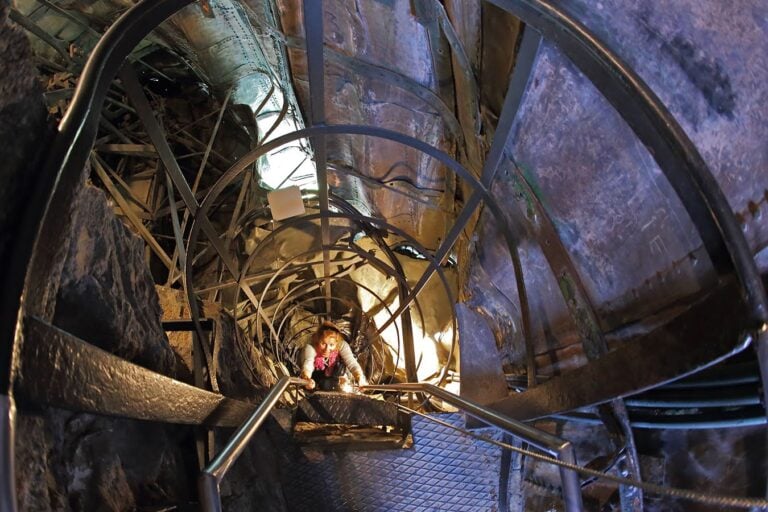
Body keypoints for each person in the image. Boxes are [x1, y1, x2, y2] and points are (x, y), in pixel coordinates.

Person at [300, 321, 368, 391]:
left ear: (336, 343)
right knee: (323, 384)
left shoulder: (342, 345)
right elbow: (308, 364)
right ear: (318, 340)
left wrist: (360, 378)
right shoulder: (310, 348)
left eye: (331, 345)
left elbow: (352, 363)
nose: (327, 349)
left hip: (335, 378)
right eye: (323, 344)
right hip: (318, 381)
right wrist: (306, 380)